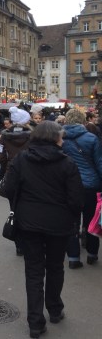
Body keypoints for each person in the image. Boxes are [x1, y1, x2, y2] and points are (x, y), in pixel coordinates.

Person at [3, 121, 84, 338]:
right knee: (56, 267)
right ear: (55, 138)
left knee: (34, 271)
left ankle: (35, 322)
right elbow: (76, 200)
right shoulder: (67, 163)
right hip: (59, 224)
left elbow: (8, 188)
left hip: (28, 223)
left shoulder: (22, 159)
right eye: (61, 137)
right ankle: (55, 309)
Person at [60, 108, 102, 268]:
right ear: (83, 121)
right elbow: (99, 162)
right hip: (91, 185)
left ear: (66, 120)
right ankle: (92, 254)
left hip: (68, 185)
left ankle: (73, 257)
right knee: (91, 220)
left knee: (72, 221)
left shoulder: (59, 138)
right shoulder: (91, 138)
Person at [0, 107, 33, 255]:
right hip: (30, 174)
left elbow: (0, 154)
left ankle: (19, 244)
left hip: (11, 173)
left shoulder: (4, 136)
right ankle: (29, 240)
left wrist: (7, 165)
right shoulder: (32, 135)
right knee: (30, 207)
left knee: (14, 208)